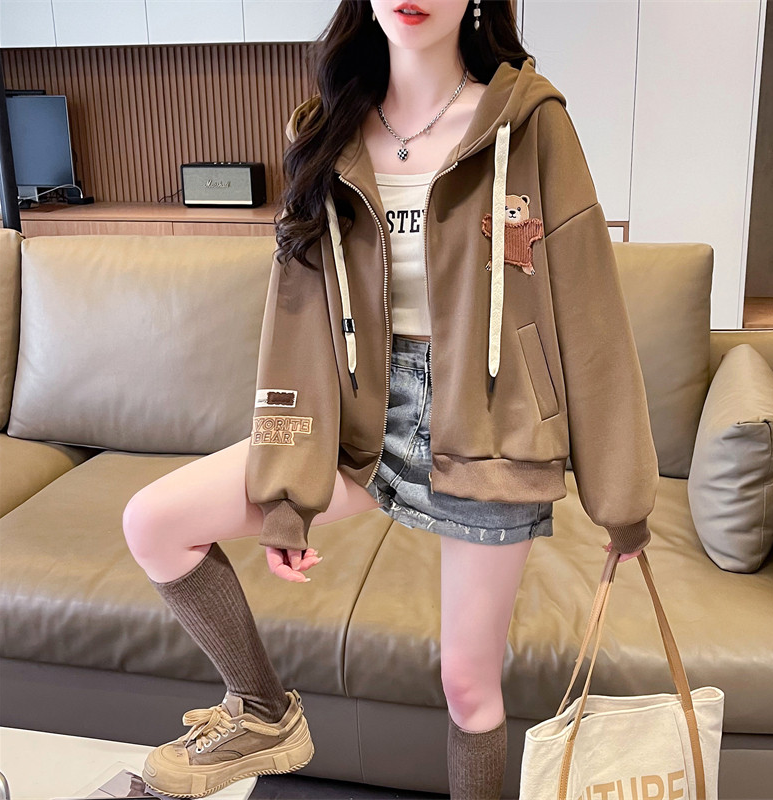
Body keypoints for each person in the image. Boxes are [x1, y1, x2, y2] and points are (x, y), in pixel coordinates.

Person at [122, 1, 658, 798]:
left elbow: (590, 308)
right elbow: (297, 320)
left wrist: (623, 499)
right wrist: (288, 490)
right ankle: (262, 712)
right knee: (154, 521)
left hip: (491, 425)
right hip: (359, 419)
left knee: (468, 686)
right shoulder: (327, 133)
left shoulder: (529, 121)